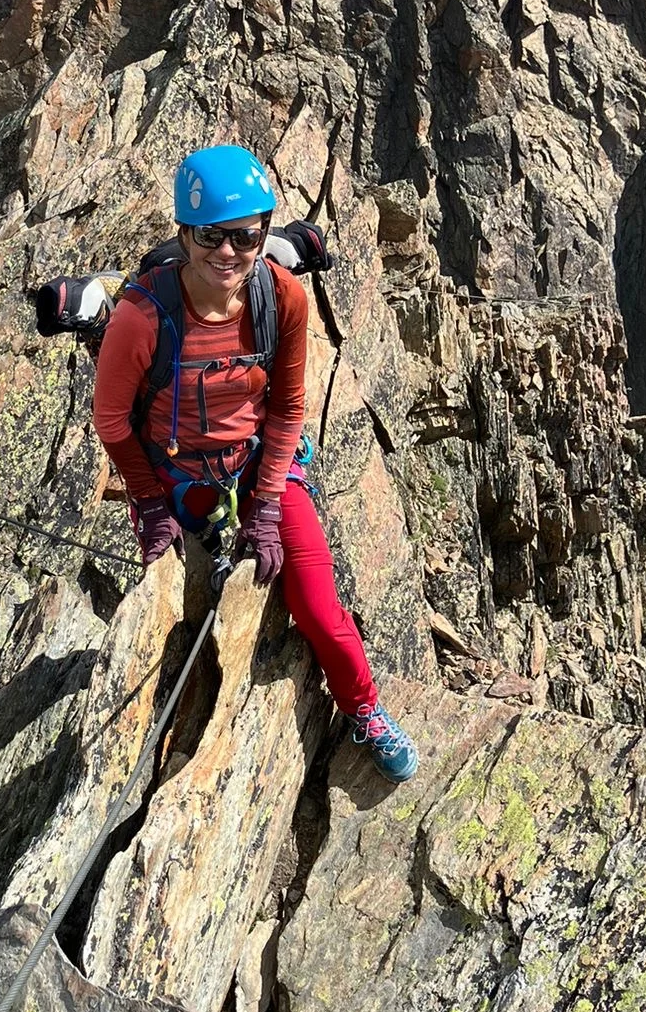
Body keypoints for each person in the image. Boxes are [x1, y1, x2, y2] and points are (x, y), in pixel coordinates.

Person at [91, 144, 420, 781]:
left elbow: (288, 405)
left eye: (246, 235)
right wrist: (151, 505)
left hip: (257, 463)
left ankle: (364, 708)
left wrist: (265, 507)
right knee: (184, 611)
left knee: (319, 608)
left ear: (264, 232)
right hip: (177, 475)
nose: (229, 251)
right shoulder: (141, 317)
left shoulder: (282, 298)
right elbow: (111, 422)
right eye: (211, 235)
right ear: (184, 234)